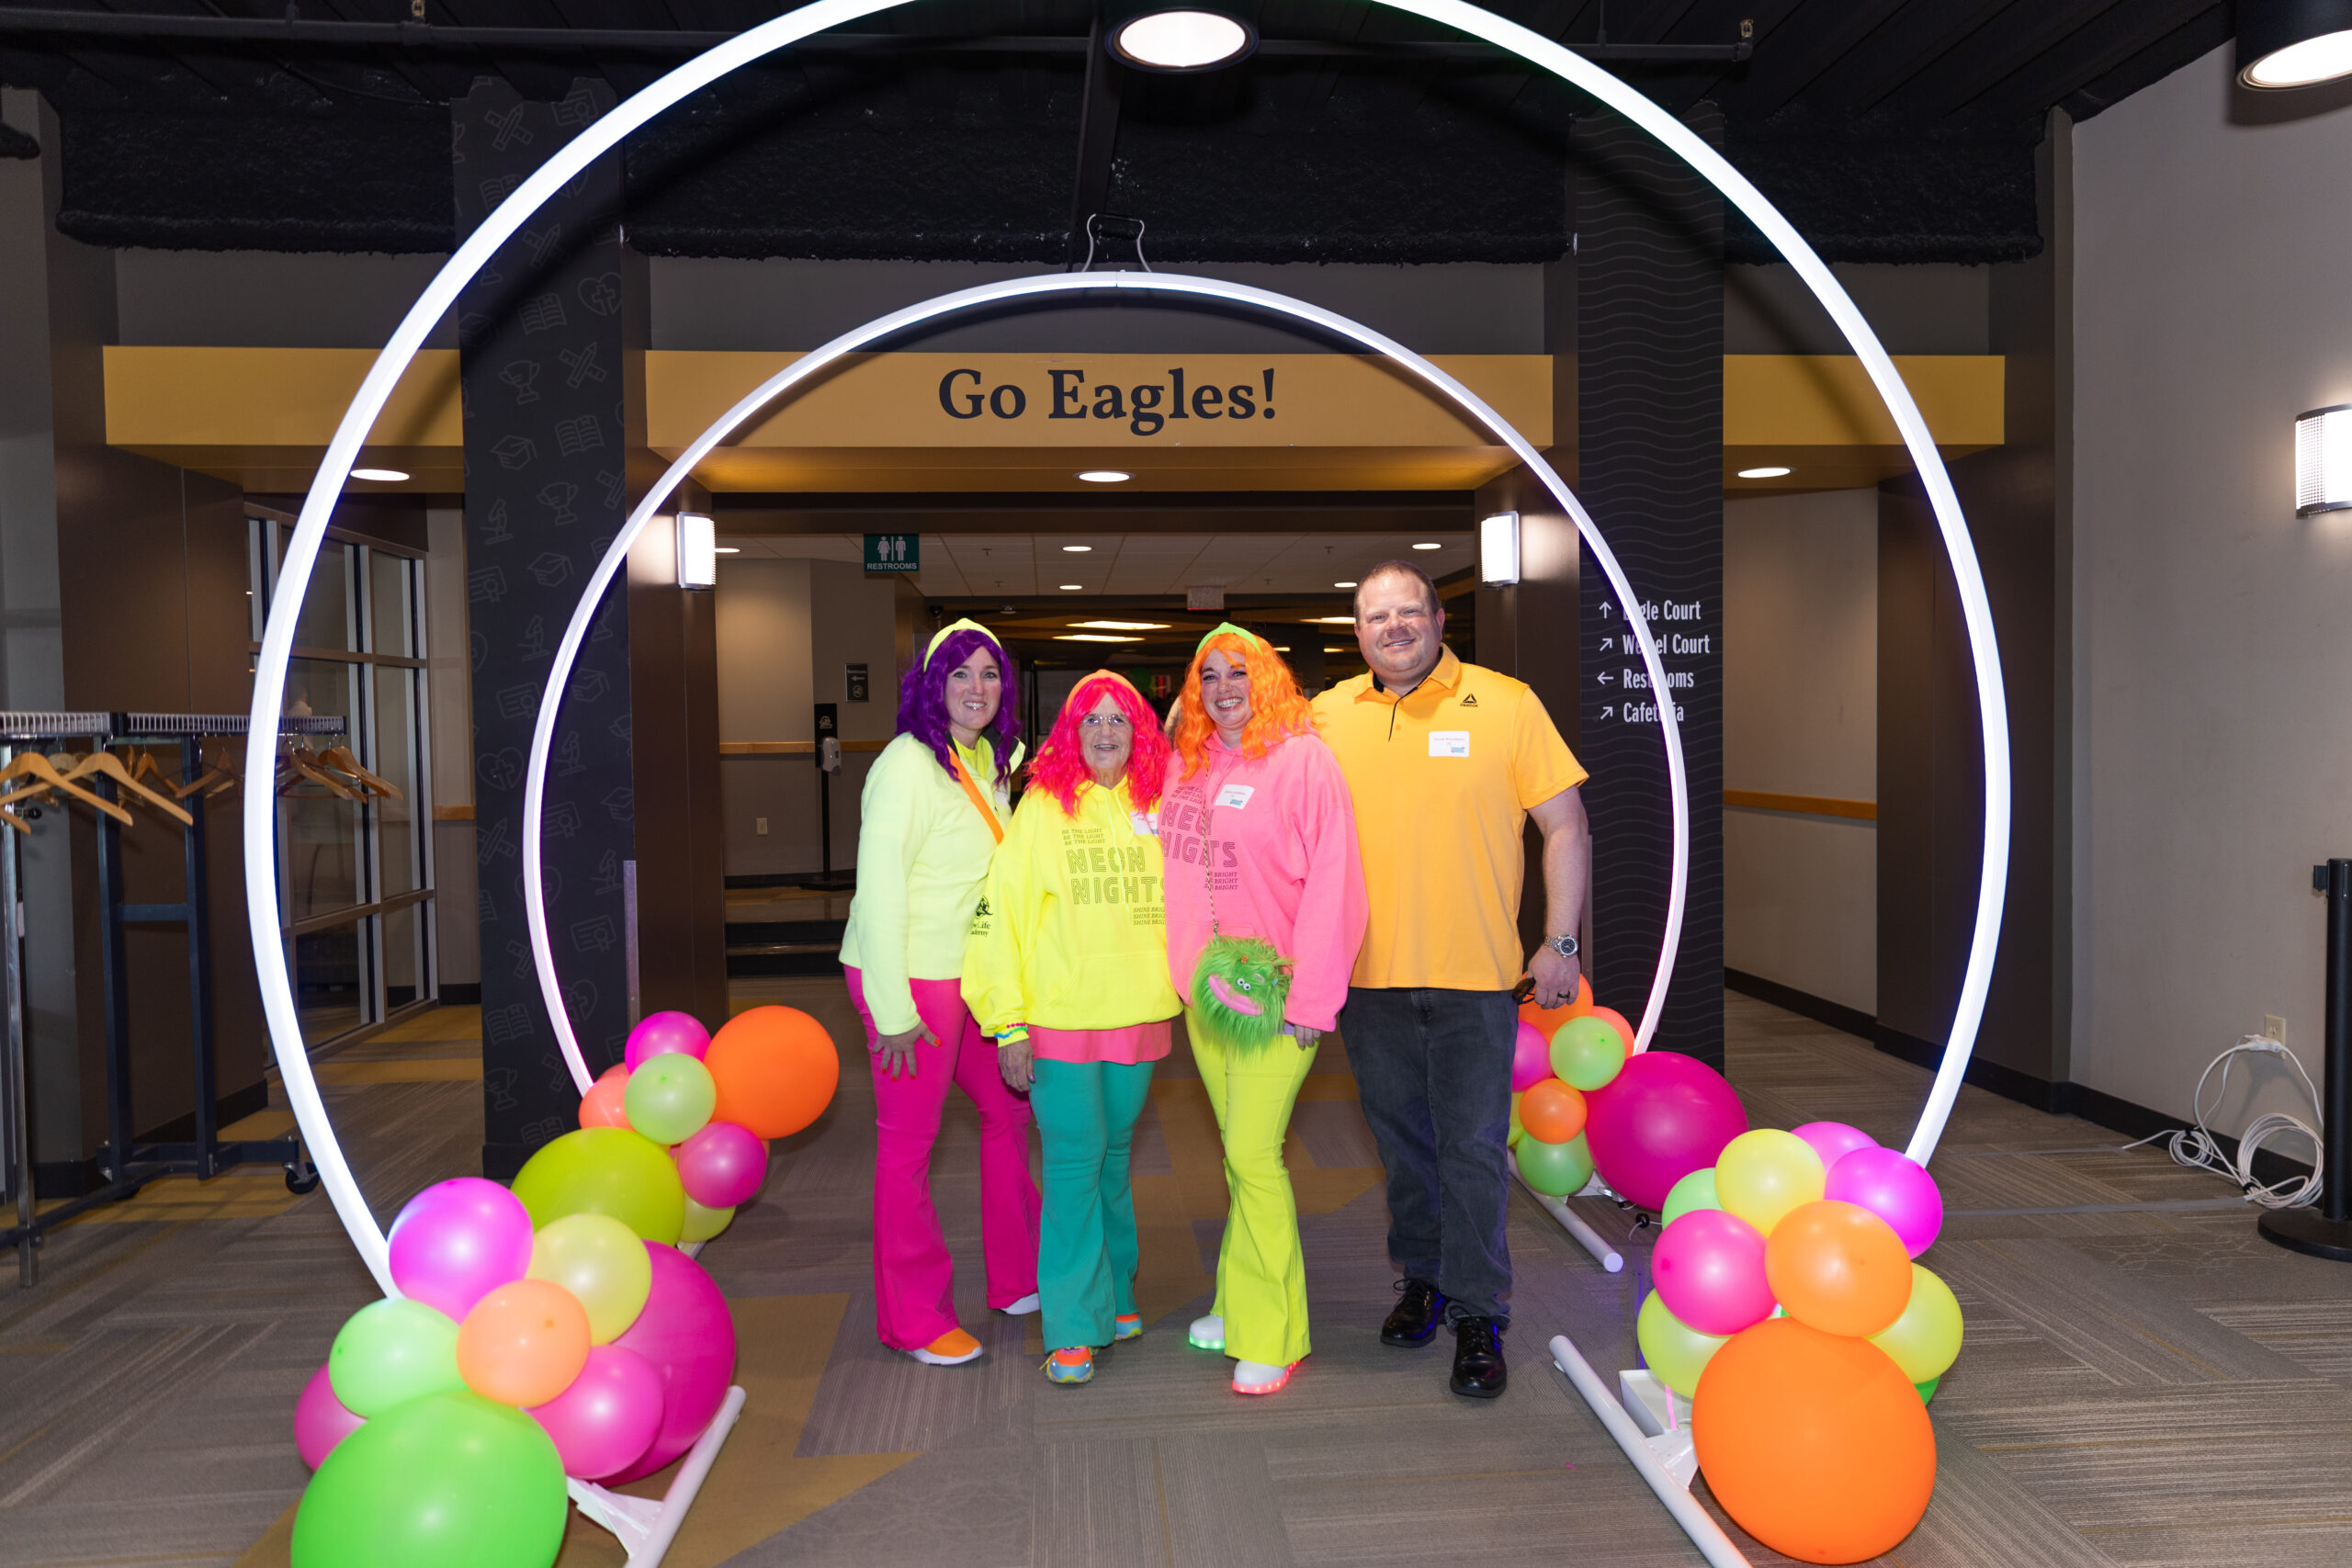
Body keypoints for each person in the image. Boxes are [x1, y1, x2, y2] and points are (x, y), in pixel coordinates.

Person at [1311, 560, 1589, 1400]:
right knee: (1402, 1148)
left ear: (1439, 619)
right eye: (1373, 617)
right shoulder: (1327, 716)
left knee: (1471, 1149)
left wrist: (1561, 940)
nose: (1392, 627)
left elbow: (1566, 824)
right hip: (1367, 980)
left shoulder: (1507, 703)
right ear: (1357, 632)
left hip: (1476, 980)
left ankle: (1479, 1310)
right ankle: (1424, 1279)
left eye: (1407, 611)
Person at [1161, 625, 1367, 1396]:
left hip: (1278, 997)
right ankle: (1233, 1297)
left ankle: (1276, 1330)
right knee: (1233, 1155)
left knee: (1254, 1156)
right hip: (1204, 997)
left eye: (1237, 672)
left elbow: (1335, 884)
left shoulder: (1304, 759)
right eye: (1207, 674)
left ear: (1268, 678)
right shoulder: (1186, 761)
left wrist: (1313, 998)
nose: (1222, 687)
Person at [962, 671, 1181, 1387]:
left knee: (1113, 1160)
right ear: (1071, 732)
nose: (1107, 732)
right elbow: (1001, 917)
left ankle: (1116, 1292)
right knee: (1071, 1167)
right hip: (1057, 1020)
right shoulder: (1043, 810)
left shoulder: (1160, 803)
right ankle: (1071, 1326)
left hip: (1140, 1014)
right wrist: (1007, 1022)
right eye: (1093, 720)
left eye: (1121, 720)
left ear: (1140, 731)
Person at [838, 618, 1041, 1366]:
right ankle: (915, 1318)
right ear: (931, 683)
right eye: (959, 673)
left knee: (1006, 1113)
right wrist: (892, 1011)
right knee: (908, 1148)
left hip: (973, 975)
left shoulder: (985, 758)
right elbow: (879, 893)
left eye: (989, 674)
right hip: (910, 976)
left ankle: (1019, 1275)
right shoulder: (905, 765)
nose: (975, 688)